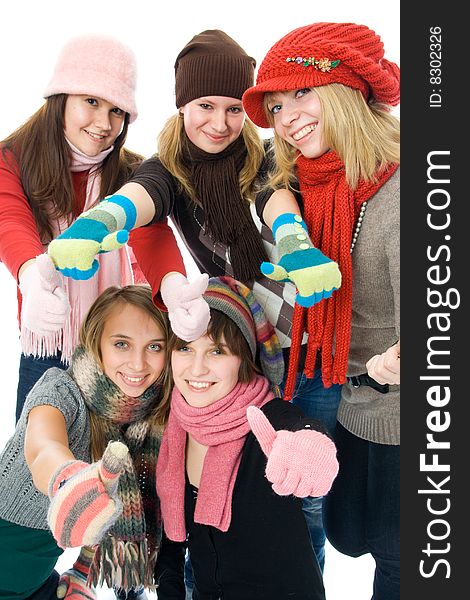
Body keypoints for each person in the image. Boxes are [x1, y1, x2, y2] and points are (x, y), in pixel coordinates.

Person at [47, 30, 341, 571]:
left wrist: (296, 246)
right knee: (221, 493)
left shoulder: (264, 157)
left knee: (303, 501)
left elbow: (273, 199)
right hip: (242, 357)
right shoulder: (168, 169)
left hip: (308, 353)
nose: (220, 122)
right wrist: (94, 225)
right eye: (206, 105)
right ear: (183, 104)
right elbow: (137, 199)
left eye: (234, 108)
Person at [242, 22, 400, 599]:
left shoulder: (408, 191)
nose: (287, 118)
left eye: (301, 93)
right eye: (277, 105)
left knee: (400, 553)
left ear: (346, 90)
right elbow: (243, 165)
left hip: (408, 417)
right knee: (345, 532)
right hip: (347, 395)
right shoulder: (308, 179)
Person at [0, 33, 184, 424]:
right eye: (92, 102)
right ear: (60, 98)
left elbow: (151, 234)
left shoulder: (133, 173)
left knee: (127, 468)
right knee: (38, 470)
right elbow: (9, 220)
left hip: (125, 345)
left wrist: (174, 286)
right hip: (50, 340)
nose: (104, 123)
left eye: (117, 111)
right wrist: (32, 279)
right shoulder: (11, 160)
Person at [156, 275, 339, 600]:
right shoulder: (175, 425)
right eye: (185, 348)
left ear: (245, 358)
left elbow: (305, 433)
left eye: (217, 351)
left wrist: (311, 449)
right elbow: (170, 544)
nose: (196, 369)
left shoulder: (267, 418)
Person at [0, 285, 186, 600]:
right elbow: (43, 447)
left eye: (154, 346)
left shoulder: (150, 413)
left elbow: (107, 508)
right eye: (122, 344)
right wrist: (67, 478)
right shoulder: (60, 389)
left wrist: (81, 573)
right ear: (95, 341)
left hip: (36, 584)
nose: (138, 364)